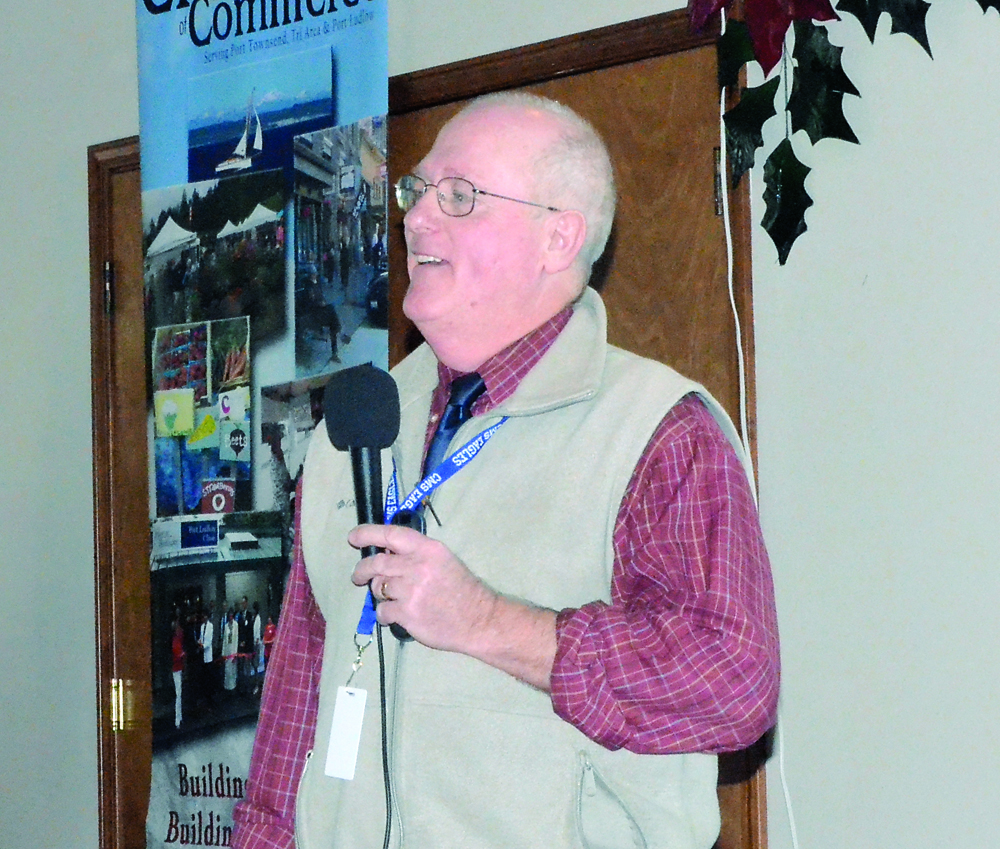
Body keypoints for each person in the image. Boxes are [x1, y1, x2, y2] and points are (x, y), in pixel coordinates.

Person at [233, 92, 779, 849]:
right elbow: (298, 700)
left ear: (559, 238)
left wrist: (487, 622)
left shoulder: (658, 430)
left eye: (459, 197)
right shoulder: (352, 427)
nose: (417, 218)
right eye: (417, 191)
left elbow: (731, 682)